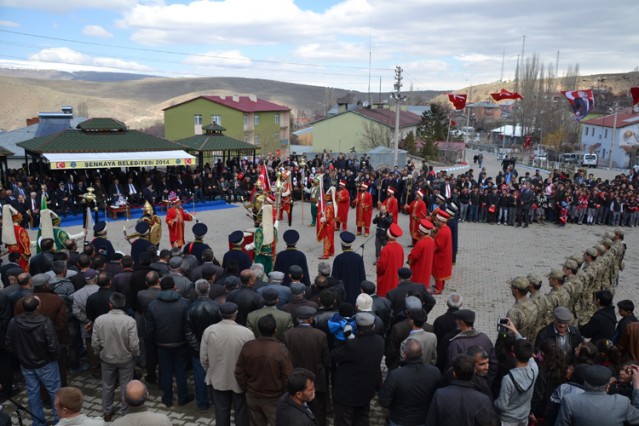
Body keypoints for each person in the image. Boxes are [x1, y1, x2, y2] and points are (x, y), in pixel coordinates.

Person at [6, 295, 61, 426]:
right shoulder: (45, 322)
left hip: (26, 364)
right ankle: (59, 421)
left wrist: (21, 355)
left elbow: (8, 344)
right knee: (55, 393)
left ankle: (38, 422)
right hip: (46, 363)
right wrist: (53, 357)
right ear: (38, 307)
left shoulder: (14, 322)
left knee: (33, 394)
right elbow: (53, 345)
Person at [200, 302, 254, 426]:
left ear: (220, 314)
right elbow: (251, 359)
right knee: (241, 411)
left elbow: (204, 358)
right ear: (236, 314)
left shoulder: (209, 331)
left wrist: (211, 371)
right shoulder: (247, 333)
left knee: (221, 411)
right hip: (240, 380)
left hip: (218, 378)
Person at [235, 314, 293, 426]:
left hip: (253, 395)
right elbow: (287, 375)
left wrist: (246, 387)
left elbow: (239, 371)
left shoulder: (248, 346)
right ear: (275, 330)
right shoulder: (281, 349)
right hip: (273, 398)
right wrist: (285, 394)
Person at [145, 274, 193, 407]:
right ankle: (183, 397)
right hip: (181, 343)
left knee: (165, 371)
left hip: (162, 344)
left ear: (160, 286)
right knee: (180, 371)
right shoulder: (184, 303)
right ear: (174, 287)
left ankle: (167, 398)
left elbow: (149, 329)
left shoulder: (153, 305)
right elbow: (187, 325)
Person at [91, 292, 139, 421]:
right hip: (126, 358)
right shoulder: (130, 321)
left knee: (107, 385)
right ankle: (125, 412)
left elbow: (95, 341)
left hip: (106, 358)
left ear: (110, 305)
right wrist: (135, 354)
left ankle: (107, 412)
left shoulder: (100, 320)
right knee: (126, 385)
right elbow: (134, 343)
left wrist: (98, 353)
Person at [331, 312, 385, 426]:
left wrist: (348, 338)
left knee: (344, 420)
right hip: (366, 390)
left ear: (356, 326)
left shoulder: (353, 345)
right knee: (362, 418)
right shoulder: (380, 341)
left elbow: (335, 355)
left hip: (347, 393)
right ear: (373, 327)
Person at [283, 307, 330, 426]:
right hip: (316, 378)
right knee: (318, 407)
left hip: (295, 378)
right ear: (310, 319)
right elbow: (326, 359)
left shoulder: (288, 335)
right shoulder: (320, 335)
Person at [379, 338, 442, 426]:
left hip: (399, 419)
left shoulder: (395, 375)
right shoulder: (435, 372)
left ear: (404, 355)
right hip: (424, 419)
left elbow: (384, 401)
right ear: (422, 353)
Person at [555, 364, 639, 425]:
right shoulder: (622, 402)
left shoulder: (570, 401)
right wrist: (636, 387)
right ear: (608, 386)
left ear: (585, 383)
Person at [426, 354, 496, 426]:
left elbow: (431, 422)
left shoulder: (440, 394)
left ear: (454, 373)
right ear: (474, 372)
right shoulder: (483, 399)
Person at [494, 338, 538, 426]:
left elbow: (502, 406)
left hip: (507, 421)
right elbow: (530, 356)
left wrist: (493, 402)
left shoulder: (507, 379)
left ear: (514, 354)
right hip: (524, 418)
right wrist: (516, 333)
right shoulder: (534, 370)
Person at [446, 309, 497, 381]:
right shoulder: (484, 338)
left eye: (456, 321)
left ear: (461, 322)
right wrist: (487, 382)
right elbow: (494, 363)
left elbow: (452, 368)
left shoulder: (456, 344)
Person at [331, 231, 366, 306]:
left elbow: (334, 278)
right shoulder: (358, 258)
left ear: (342, 245)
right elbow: (362, 276)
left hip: (342, 292)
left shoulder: (338, 259)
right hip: (355, 290)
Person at [376, 223, 404, 298]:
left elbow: (381, 267)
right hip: (396, 277)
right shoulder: (400, 247)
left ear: (387, 235)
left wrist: (378, 263)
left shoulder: (386, 249)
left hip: (387, 278)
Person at [407, 219, 435, 289]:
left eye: (419, 230)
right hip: (427, 268)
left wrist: (409, 260)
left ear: (422, 232)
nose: (418, 231)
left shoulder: (421, 243)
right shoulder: (431, 240)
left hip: (418, 269)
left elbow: (413, 256)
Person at [2, 204, 31, 272]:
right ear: (17, 219)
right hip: (21, 254)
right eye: (20, 217)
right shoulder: (20, 229)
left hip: (12, 252)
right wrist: (27, 252)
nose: (22, 218)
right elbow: (25, 242)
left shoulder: (7, 228)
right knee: (23, 269)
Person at [432, 209, 453, 294]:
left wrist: (431, 247)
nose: (436, 222)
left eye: (437, 221)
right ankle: (441, 285)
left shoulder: (443, 232)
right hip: (445, 253)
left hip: (440, 254)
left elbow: (438, 245)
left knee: (439, 271)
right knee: (442, 271)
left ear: (441, 221)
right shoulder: (445, 228)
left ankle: (438, 288)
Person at [317, 188, 336, 260]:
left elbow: (327, 217)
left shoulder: (328, 207)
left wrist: (322, 219)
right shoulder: (332, 206)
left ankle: (326, 254)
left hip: (328, 225)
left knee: (327, 239)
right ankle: (331, 251)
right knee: (331, 239)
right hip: (331, 225)